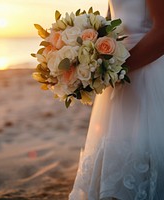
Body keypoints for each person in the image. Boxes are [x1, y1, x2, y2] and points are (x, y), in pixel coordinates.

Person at [69, 0, 164, 199]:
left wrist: (120, 69)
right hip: (119, 69)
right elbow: (111, 22)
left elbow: (162, 32)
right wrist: (85, 55)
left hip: (146, 70)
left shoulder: (123, 68)